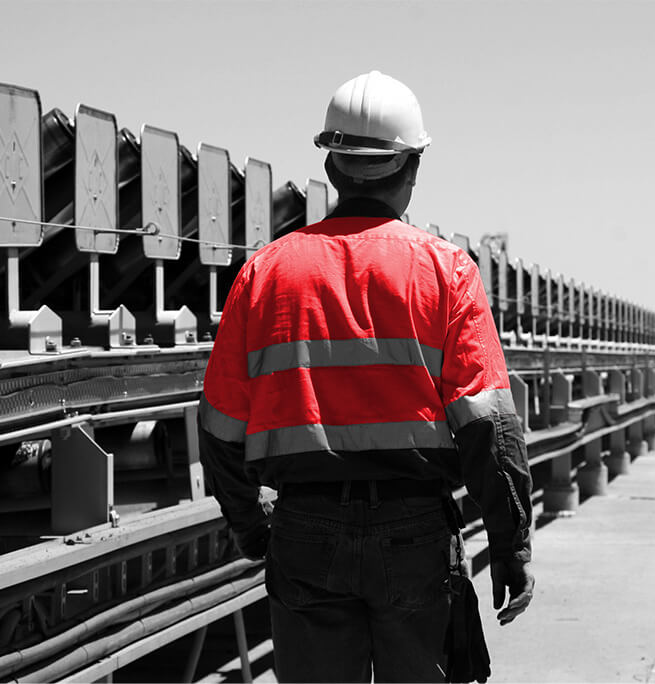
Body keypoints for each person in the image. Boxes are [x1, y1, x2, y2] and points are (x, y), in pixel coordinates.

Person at [197, 70, 534, 683]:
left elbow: (219, 429)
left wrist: (254, 530)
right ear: (413, 168)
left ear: (332, 168)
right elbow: (490, 431)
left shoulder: (264, 274)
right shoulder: (446, 272)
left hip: (303, 529)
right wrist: (511, 546)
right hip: (415, 533)